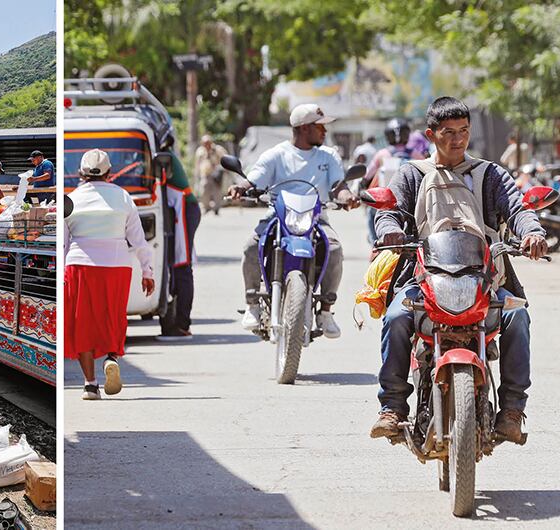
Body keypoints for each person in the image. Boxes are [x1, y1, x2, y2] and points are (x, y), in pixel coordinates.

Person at [369, 96, 547, 443]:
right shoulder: (412, 173)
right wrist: (388, 228)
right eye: (448, 132)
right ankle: (392, 408)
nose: (457, 140)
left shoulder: (490, 174)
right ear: (431, 134)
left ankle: (511, 409)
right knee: (395, 318)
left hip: (485, 282)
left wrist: (533, 232)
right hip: (423, 281)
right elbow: (389, 210)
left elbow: (518, 208)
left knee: (518, 318)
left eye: (464, 131)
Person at [227, 103, 359, 338]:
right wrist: (241, 187)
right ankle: (252, 304)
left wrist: (347, 197)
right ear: (305, 128)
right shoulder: (276, 155)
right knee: (250, 246)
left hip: (316, 219)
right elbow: (255, 180)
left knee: (335, 249)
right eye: (320, 127)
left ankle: (326, 311)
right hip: (277, 218)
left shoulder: (328, 157)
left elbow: (339, 186)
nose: (324, 132)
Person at [65, 149, 155, 400]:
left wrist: (63, 272)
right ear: (110, 173)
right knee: (113, 317)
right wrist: (147, 271)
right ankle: (111, 358)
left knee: (82, 323)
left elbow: (63, 242)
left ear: (80, 173)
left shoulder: (71, 199)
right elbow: (139, 240)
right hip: (116, 266)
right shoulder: (123, 198)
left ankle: (90, 384)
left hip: (79, 264)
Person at [157, 150, 201, 340]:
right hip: (173, 210)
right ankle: (172, 323)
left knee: (181, 265)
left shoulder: (161, 155)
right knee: (173, 265)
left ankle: (181, 324)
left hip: (181, 209)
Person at [363, 119, 418, 244]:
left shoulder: (382, 154)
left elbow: (367, 175)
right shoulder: (415, 154)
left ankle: (375, 243)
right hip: (410, 201)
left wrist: (362, 185)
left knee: (371, 211)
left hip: (386, 200)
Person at [194, 134, 228, 215]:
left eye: (208, 142)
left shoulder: (218, 149)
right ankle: (206, 207)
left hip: (216, 174)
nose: (206, 144)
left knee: (217, 192)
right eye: (204, 143)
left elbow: (225, 159)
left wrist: (225, 170)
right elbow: (197, 163)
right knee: (204, 190)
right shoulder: (200, 151)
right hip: (205, 174)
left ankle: (216, 208)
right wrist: (196, 173)